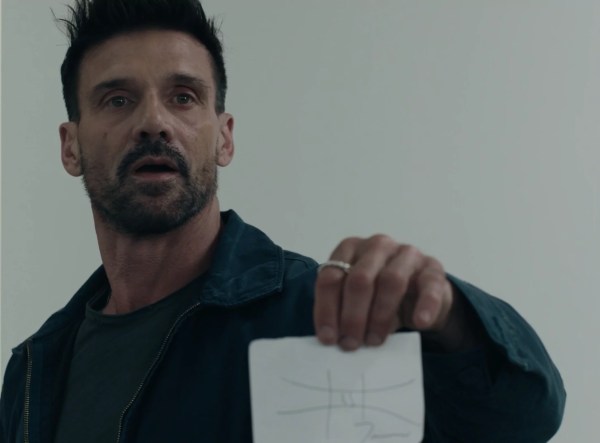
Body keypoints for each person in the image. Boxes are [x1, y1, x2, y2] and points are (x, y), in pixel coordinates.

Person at [0, 0, 565, 442]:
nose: (154, 122)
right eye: (117, 100)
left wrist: (449, 319)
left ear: (224, 138)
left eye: (184, 97)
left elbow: (519, 421)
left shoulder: (329, 316)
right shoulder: (33, 369)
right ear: (70, 146)